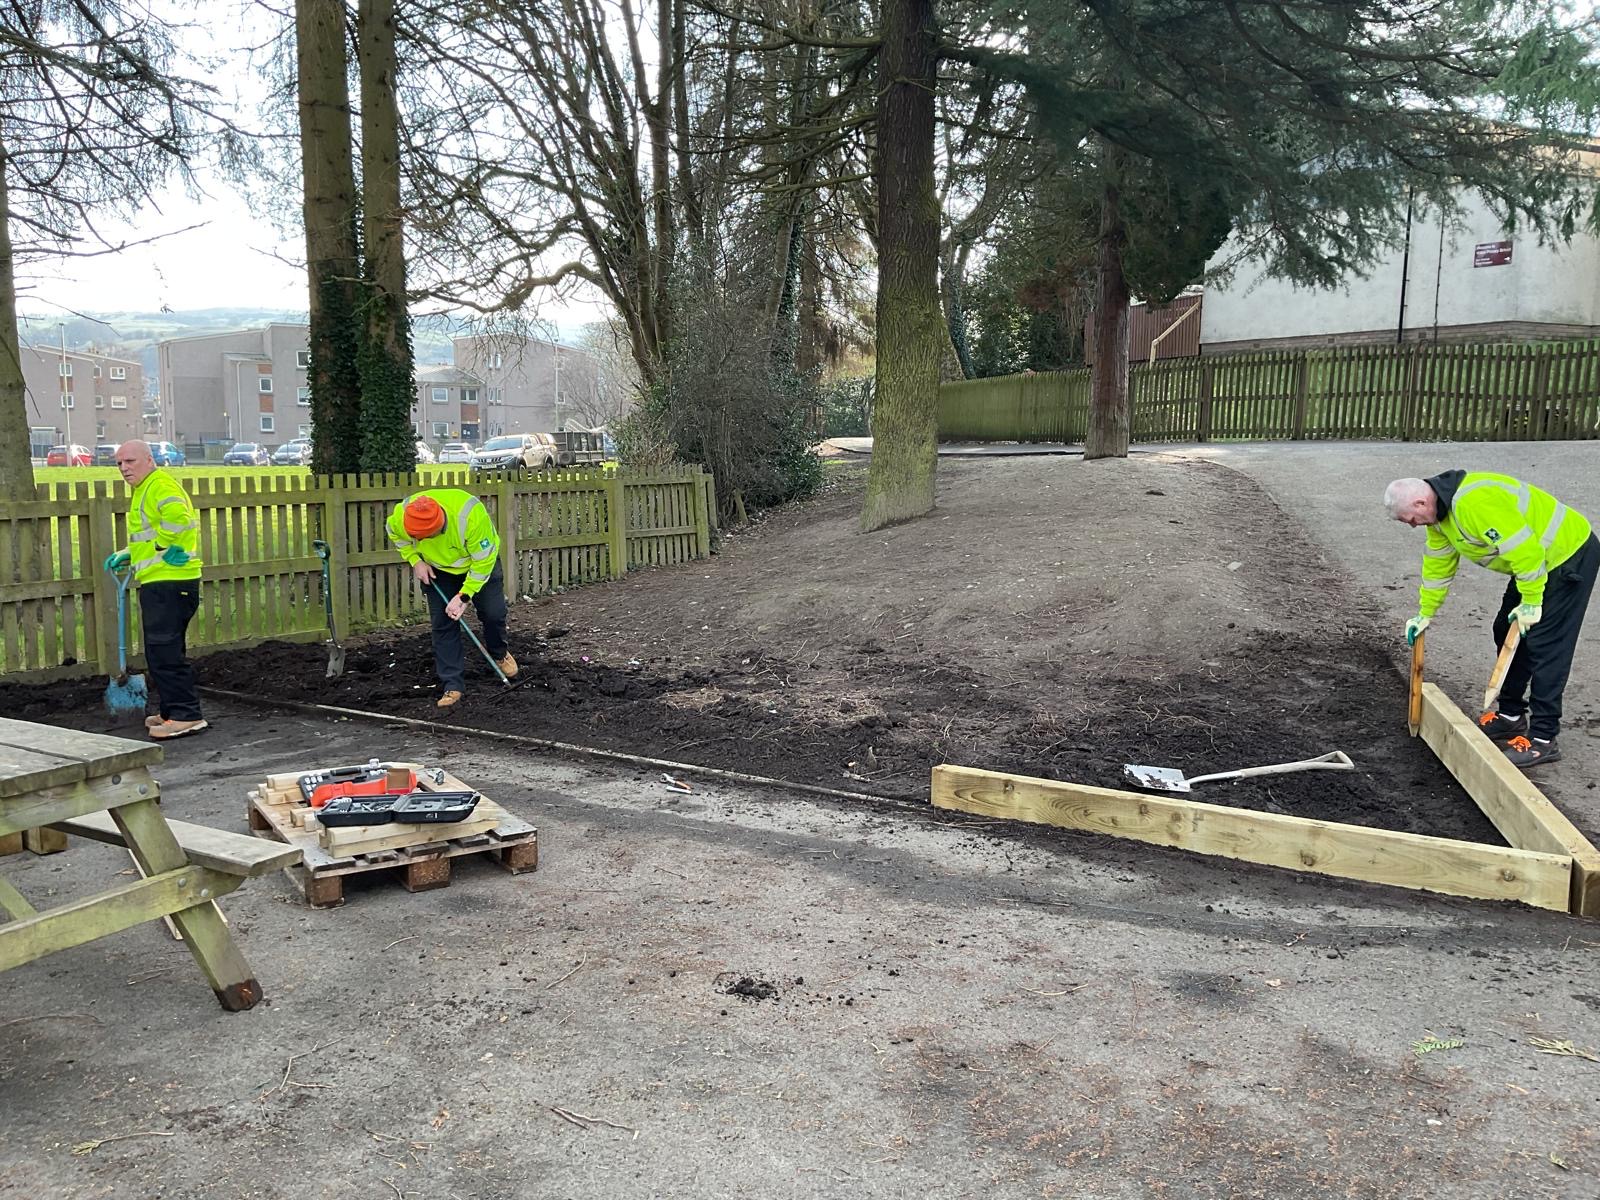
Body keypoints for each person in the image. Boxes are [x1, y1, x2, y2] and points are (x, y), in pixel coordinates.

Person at [1385, 471, 1597, 768]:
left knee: (1545, 644)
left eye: (1410, 519)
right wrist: (1425, 613)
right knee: (1506, 629)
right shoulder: (1439, 516)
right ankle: (1510, 716)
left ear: (1421, 502)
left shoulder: (1474, 503)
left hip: (1566, 555)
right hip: (1534, 565)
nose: (1412, 525)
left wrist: (1532, 602)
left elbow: (1526, 552)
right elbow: (1438, 564)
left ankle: (1543, 738)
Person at [102, 440, 207, 739]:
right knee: (161, 650)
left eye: (130, 461)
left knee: (165, 651)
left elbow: (180, 521)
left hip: (170, 581)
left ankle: (187, 715)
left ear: (149, 460)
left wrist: (162, 547)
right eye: (119, 463)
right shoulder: (145, 489)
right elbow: (151, 534)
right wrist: (130, 553)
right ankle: (172, 711)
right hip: (161, 580)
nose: (124, 468)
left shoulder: (159, 485)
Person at [385, 489, 517, 708]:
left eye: (424, 537)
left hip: (478, 564)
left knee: (493, 613)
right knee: (443, 623)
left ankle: (499, 653)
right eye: (416, 538)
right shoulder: (402, 517)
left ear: (439, 527)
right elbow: (394, 534)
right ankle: (452, 684)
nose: (419, 540)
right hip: (439, 570)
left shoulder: (471, 517)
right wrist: (415, 561)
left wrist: (463, 597)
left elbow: (483, 563)